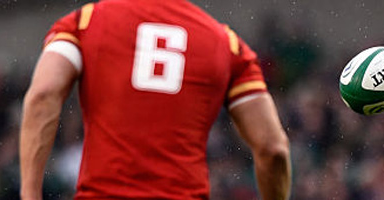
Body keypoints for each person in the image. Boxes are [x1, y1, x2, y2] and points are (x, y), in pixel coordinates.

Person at [19, 0, 291, 199]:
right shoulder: (227, 45)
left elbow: (43, 94)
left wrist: (30, 194)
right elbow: (273, 148)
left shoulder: (86, 22)